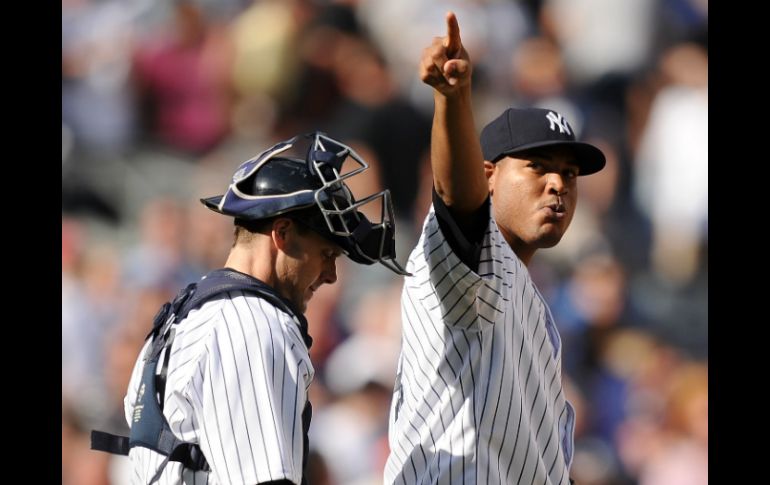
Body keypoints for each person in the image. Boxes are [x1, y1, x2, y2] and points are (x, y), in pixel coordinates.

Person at [91, 132, 407, 484]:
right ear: (282, 233)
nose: (332, 275)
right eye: (327, 254)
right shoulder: (254, 322)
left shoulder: (182, 316)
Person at [384, 12, 606, 485]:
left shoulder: (531, 295)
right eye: (537, 166)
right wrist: (453, 98)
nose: (557, 184)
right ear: (489, 175)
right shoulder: (473, 251)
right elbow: (458, 199)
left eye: (569, 173)